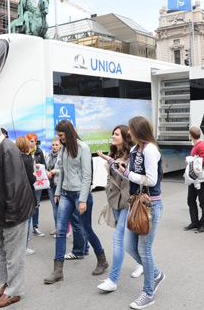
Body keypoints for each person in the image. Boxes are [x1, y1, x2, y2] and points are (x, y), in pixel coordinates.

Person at [0, 120, 35, 308]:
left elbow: (16, 184)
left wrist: (11, 212)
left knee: (14, 253)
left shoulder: (8, 149)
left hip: (13, 211)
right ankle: (7, 281)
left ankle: (15, 291)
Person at [44, 120, 108, 284]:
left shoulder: (83, 148)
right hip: (65, 194)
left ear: (68, 133)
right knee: (60, 231)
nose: (59, 139)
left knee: (86, 230)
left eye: (61, 136)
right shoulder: (64, 148)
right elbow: (63, 171)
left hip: (80, 194)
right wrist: (58, 192)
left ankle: (102, 259)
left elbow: (87, 176)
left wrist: (82, 200)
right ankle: (58, 270)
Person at [115, 116, 165, 309]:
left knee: (145, 250)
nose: (129, 132)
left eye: (130, 129)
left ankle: (148, 293)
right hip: (136, 203)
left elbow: (151, 180)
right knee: (129, 246)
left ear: (138, 130)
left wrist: (127, 173)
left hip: (150, 205)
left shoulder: (151, 150)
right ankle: (156, 274)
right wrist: (118, 169)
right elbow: (132, 176)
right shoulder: (136, 149)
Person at [96, 125, 142, 292]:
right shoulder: (112, 153)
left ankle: (113, 279)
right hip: (114, 199)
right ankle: (142, 263)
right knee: (130, 239)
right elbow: (111, 176)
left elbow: (131, 177)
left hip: (128, 200)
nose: (113, 136)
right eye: (112, 133)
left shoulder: (133, 155)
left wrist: (113, 163)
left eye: (116, 134)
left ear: (124, 137)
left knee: (118, 238)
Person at [184, 126, 204, 234]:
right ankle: (195, 222)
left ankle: (203, 224)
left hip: (202, 179)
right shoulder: (197, 145)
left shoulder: (201, 146)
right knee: (191, 200)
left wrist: (191, 160)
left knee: (203, 202)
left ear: (190, 135)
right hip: (195, 178)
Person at [15, 136, 37, 255]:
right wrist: (35, 176)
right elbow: (31, 178)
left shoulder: (15, 158)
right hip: (27, 193)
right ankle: (24, 247)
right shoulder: (28, 159)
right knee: (27, 221)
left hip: (17, 193)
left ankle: (18, 246)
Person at [26, 132, 46, 237]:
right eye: (29, 140)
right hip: (28, 182)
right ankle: (26, 230)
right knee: (28, 205)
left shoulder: (39, 152)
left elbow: (44, 166)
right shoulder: (24, 152)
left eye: (32, 141)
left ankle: (35, 227)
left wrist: (39, 166)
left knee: (36, 205)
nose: (30, 143)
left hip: (38, 182)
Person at [45, 137, 61, 235]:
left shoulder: (63, 155)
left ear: (60, 145)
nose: (54, 147)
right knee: (55, 206)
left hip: (60, 184)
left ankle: (64, 229)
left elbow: (65, 169)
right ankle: (57, 227)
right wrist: (47, 172)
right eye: (53, 145)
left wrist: (56, 171)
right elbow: (45, 168)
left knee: (62, 207)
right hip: (50, 184)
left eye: (56, 145)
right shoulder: (48, 155)